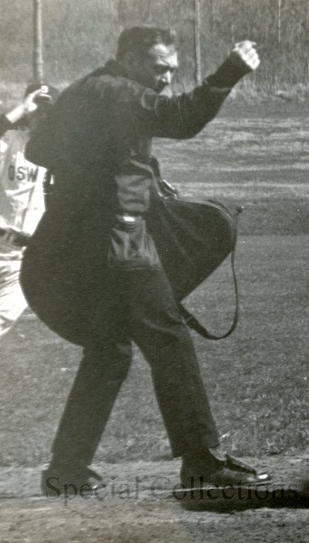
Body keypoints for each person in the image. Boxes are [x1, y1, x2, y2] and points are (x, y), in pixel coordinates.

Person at [22, 26, 267, 498]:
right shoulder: (116, 91)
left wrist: (105, 160)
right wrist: (230, 70)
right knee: (169, 338)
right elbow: (183, 117)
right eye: (159, 68)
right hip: (115, 243)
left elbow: (38, 147)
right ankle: (202, 462)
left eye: (173, 69)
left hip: (72, 246)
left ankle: (66, 467)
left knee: (110, 347)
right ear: (130, 59)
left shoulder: (85, 90)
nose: (167, 77)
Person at [0, 84, 57, 339]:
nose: (41, 116)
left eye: (48, 111)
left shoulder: (64, 153)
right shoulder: (11, 141)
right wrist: (20, 109)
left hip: (28, 257)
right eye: (36, 109)